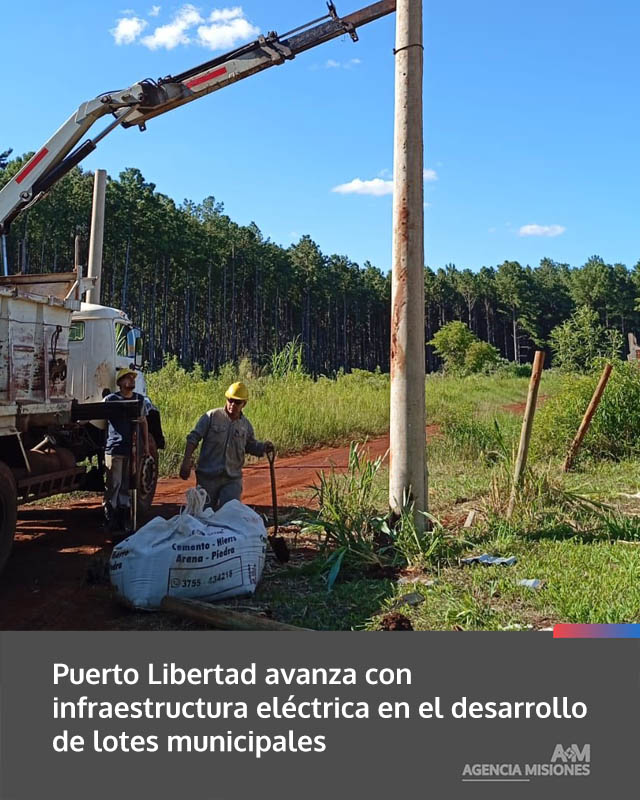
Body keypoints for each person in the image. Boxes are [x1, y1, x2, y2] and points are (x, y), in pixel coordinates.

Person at [180, 381, 274, 509]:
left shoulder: (245, 426)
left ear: (244, 404)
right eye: (230, 400)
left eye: (237, 402)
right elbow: (193, 438)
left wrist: (263, 447)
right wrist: (186, 461)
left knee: (230, 512)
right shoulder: (211, 416)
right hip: (208, 478)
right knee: (204, 514)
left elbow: (250, 446)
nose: (232, 404)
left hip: (232, 479)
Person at [103, 367, 150, 534]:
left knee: (126, 484)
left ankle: (124, 518)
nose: (132, 380)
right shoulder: (111, 400)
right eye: (128, 378)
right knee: (114, 484)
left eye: (132, 378)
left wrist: (146, 446)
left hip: (132, 450)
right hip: (115, 448)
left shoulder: (139, 399)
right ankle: (111, 518)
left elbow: (144, 422)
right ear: (120, 382)